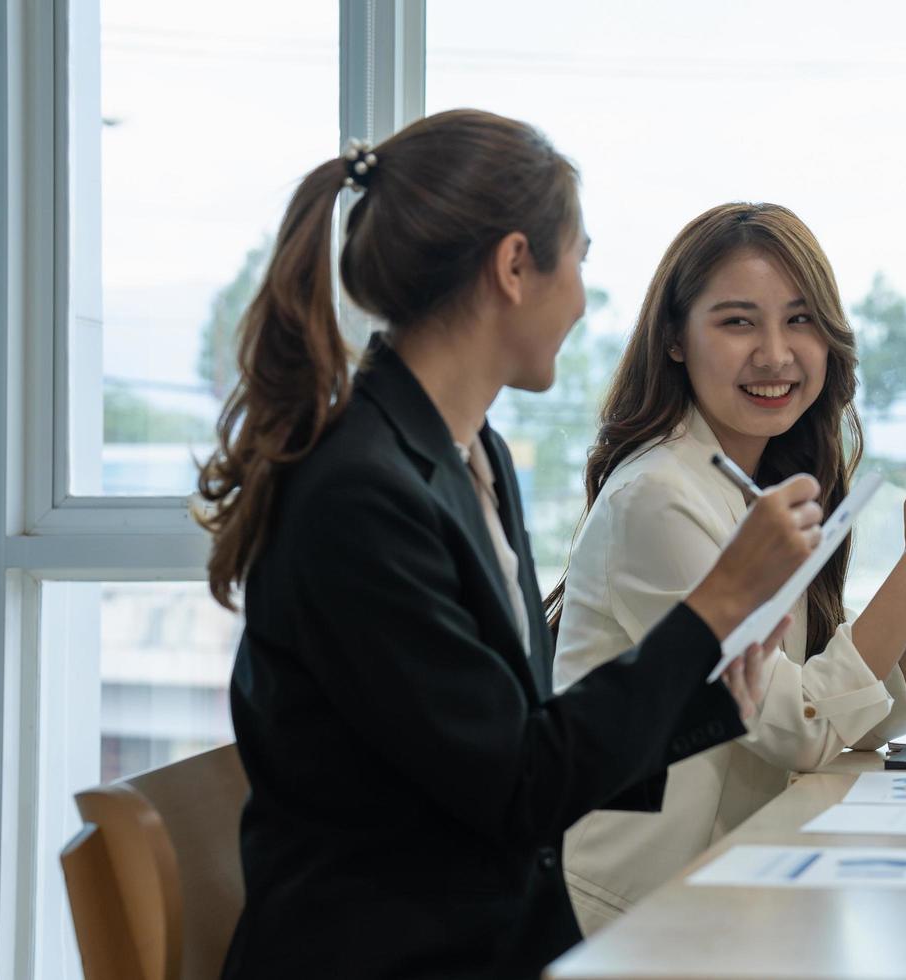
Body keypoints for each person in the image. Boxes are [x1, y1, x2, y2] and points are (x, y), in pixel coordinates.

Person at [198, 110, 815, 979]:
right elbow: (518, 787)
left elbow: (519, 744)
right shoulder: (360, 496)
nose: (586, 301)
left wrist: (717, 702)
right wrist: (717, 604)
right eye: (581, 262)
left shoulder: (473, 453)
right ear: (516, 266)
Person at [546, 202, 906, 932]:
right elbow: (799, 727)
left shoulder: (762, 484)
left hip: (735, 885)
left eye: (799, 321)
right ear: (674, 338)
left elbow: (855, 720)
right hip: (634, 912)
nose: (774, 354)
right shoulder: (660, 499)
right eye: (738, 322)